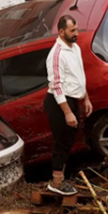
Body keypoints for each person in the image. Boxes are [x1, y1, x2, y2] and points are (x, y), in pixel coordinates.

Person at [44, 15, 94, 195]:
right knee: (62, 141)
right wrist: (67, 113)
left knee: (70, 139)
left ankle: (61, 177)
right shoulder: (56, 55)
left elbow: (79, 75)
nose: (76, 33)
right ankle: (56, 182)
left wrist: (85, 97)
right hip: (59, 103)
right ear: (62, 31)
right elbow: (56, 85)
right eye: (73, 30)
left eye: (76, 29)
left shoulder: (75, 48)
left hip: (73, 99)